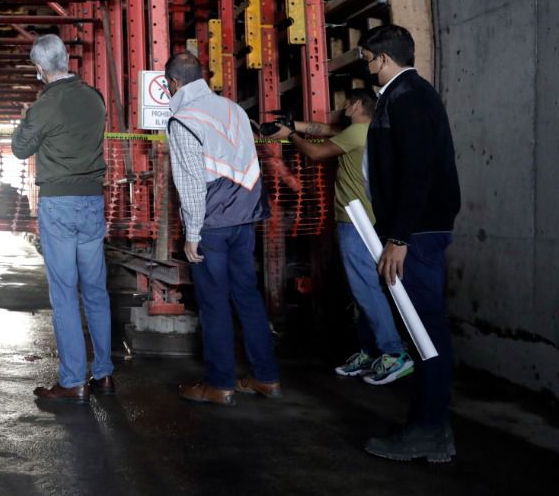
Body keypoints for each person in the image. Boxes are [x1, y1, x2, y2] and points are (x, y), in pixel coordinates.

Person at [358, 25, 461, 462]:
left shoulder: (409, 97)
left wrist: (399, 236)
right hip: (413, 232)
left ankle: (429, 430)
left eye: (366, 59)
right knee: (421, 332)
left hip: (415, 235)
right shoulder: (403, 96)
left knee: (424, 333)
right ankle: (432, 425)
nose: (366, 67)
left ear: (383, 58)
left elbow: (417, 171)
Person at [270, 89, 412, 386]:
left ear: (358, 105)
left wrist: (289, 136)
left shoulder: (357, 132)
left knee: (365, 290)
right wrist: (292, 125)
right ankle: (371, 352)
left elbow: (315, 152)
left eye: (347, 103)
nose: (343, 107)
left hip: (356, 223)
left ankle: (393, 352)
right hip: (361, 222)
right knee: (361, 291)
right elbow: (324, 130)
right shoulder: (365, 131)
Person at [165, 51, 281, 406]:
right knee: (247, 296)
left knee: (214, 303)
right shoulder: (235, 110)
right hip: (245, 219)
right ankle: (266, 378)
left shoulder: (183, 119)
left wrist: (192, 234)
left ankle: (220, 384)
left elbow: (191, 183)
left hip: (212, 224)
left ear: (173, 83)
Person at [13, 34, 115, 404]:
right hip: (92, 200)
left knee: (64, 292)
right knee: (96, 290)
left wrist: (27, 117)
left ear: (39, 69)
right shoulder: (94, 98)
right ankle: (104, 374)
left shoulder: (45, 104)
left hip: (59, 202)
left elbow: (19, 148)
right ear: (67, 57)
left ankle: (73, 380)